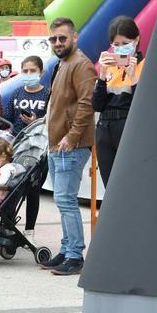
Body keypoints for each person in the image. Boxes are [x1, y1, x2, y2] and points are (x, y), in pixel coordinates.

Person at [41, 17, 97, 277]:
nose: (57, 43)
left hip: (70, 145)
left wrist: (73, 136)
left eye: (62, 38)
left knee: (65, 200)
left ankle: (75, 255)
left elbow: (87, 104)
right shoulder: (64, 63)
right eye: (53, 39)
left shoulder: (81, 65)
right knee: (62, 200)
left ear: (74, 37)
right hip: (58, 144)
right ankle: (66, 249)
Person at [92, 16, 143, 186]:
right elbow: (97, 105)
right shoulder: (110, 66)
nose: (120, 49)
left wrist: (133, 76)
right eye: (116, 45)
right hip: (105, 128)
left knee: (130, 183)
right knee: (110, 184)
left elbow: (144, 105)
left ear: (136, 40)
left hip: (128, 126)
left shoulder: (146, 65)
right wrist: (101, 76)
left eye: (125, 43)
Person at [5, 55, 50, 243]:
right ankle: (7, 225)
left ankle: (29, 231)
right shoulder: (16, 93)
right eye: (25, 71)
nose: (29, 74)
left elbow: (50, 119)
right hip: (17, 148)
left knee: (33, 190)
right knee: (11, 187)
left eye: (33, 71)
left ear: (41, 72)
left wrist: (35, 121)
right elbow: (7, 116)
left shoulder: (47, 94)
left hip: (39, 149)